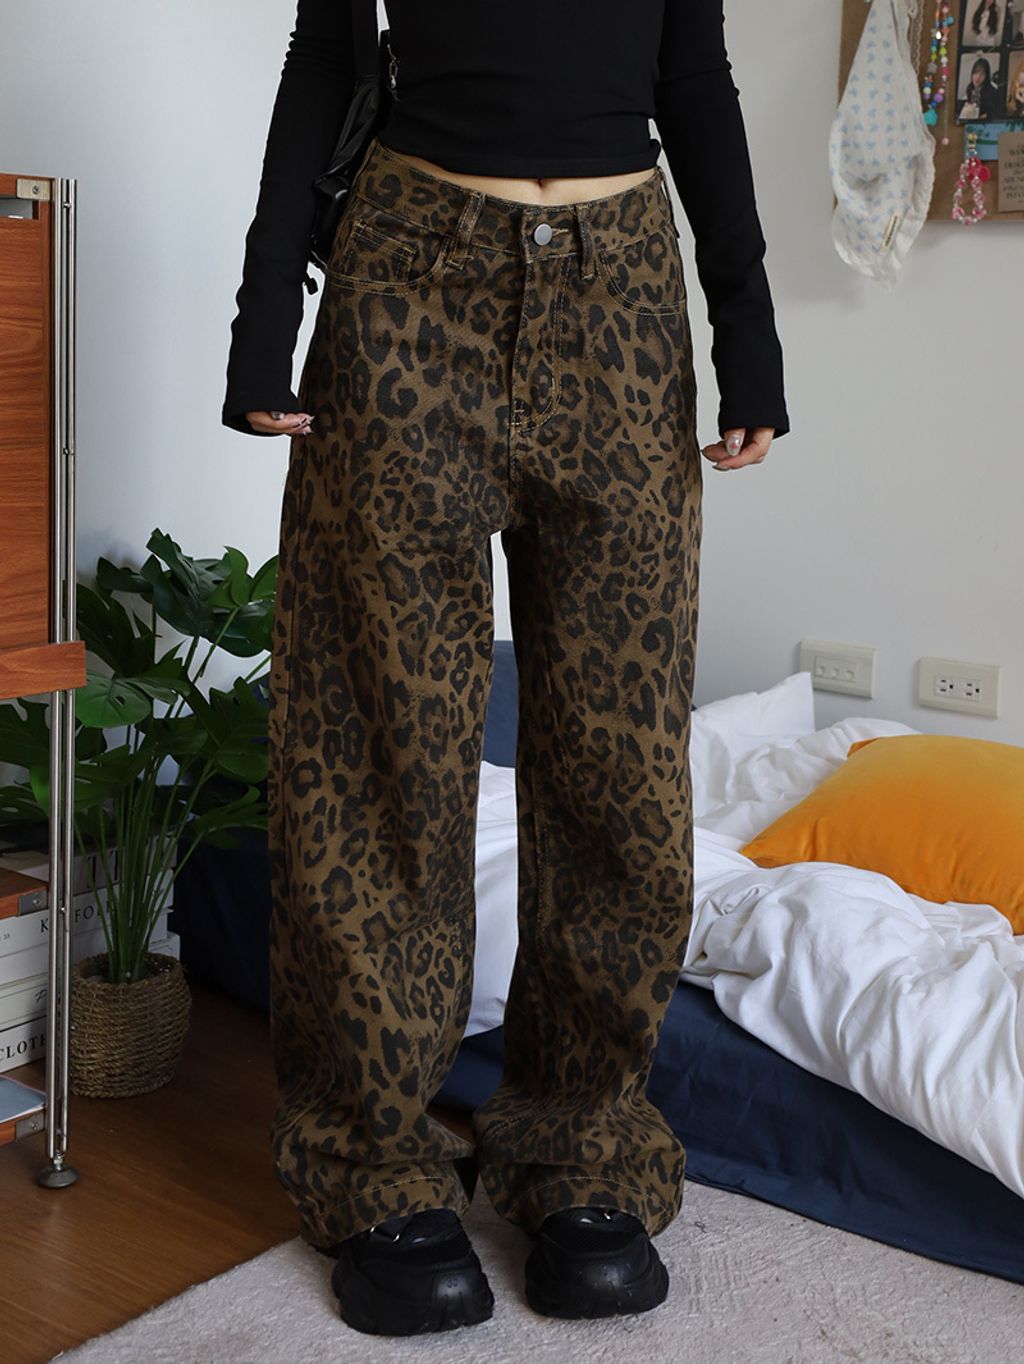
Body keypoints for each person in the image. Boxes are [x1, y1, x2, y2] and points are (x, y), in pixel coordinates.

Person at [222, 0, 790, 1338]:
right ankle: (375, 1165)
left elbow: (695, 76)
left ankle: (582, 1147)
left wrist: (749, 328)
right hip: (407, 283)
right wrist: (264, 309)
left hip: (624, 292)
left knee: (620, 761)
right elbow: (326, 56)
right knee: (381, 754)